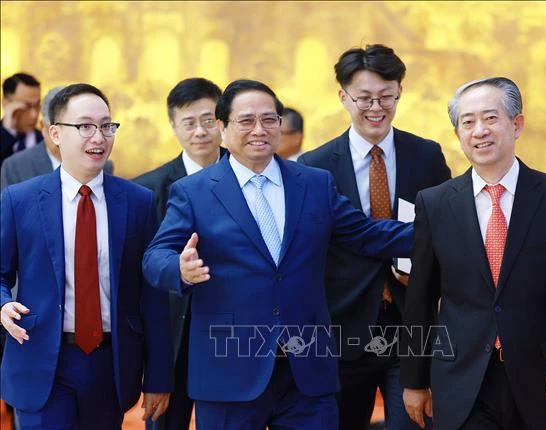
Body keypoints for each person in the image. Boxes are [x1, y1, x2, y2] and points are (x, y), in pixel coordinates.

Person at [142, 79, 413, 429]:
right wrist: (179, 269)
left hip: (306, 374)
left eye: (270, 119)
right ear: (223, 128)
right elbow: (155, 257)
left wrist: (446, 232)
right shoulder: (193, 192)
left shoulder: (314, 184)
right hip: (230, 375)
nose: (260, 130)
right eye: (246, 121)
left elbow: (367, 234)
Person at [400, 77, 546, 430]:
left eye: (491, 118)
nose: (480, 131)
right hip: (460, 379)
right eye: (468, 121)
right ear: (458, 132)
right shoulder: (434, 204)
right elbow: (421, 297)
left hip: (539, 377)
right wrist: (414, 380)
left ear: (516, 124)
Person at [0, 83, 173, 429]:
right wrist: (3, 304)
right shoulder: (20, 200)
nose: (99, 137)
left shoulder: (138, 202)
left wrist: (158, 378)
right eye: (85, 127)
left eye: (107, 126)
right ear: (55, 134)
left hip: (110, 363)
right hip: (40, 358)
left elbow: (152, 296)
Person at [299, 43, 451, 430]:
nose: (376, 108)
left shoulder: (426, 155)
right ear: (343, 97)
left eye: (387, 96)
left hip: (411, 325)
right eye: (364, 98)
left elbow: (448, 232)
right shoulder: (315, 167)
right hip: (343, 329)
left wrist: (427, 269)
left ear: (400, 92)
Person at [134, 77, 225, 430]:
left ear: (222, 121)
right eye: (189, 122)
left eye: (208, 120)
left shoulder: (252, 177)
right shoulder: (147, 190)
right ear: (173, 126)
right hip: (170, 338)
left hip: (232, 336)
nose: (200, 131)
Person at [1, 86, 114, 190]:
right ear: (45, 128)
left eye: (105, 126)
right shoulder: (15, 167)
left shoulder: (104, 166)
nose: (97, 139)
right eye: (84, 126)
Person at [1, 73, 41, 168]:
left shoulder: (45, 140)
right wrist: (7, 132)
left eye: (37, 106)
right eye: (26, 106)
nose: (34, 115)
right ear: (6, 103)